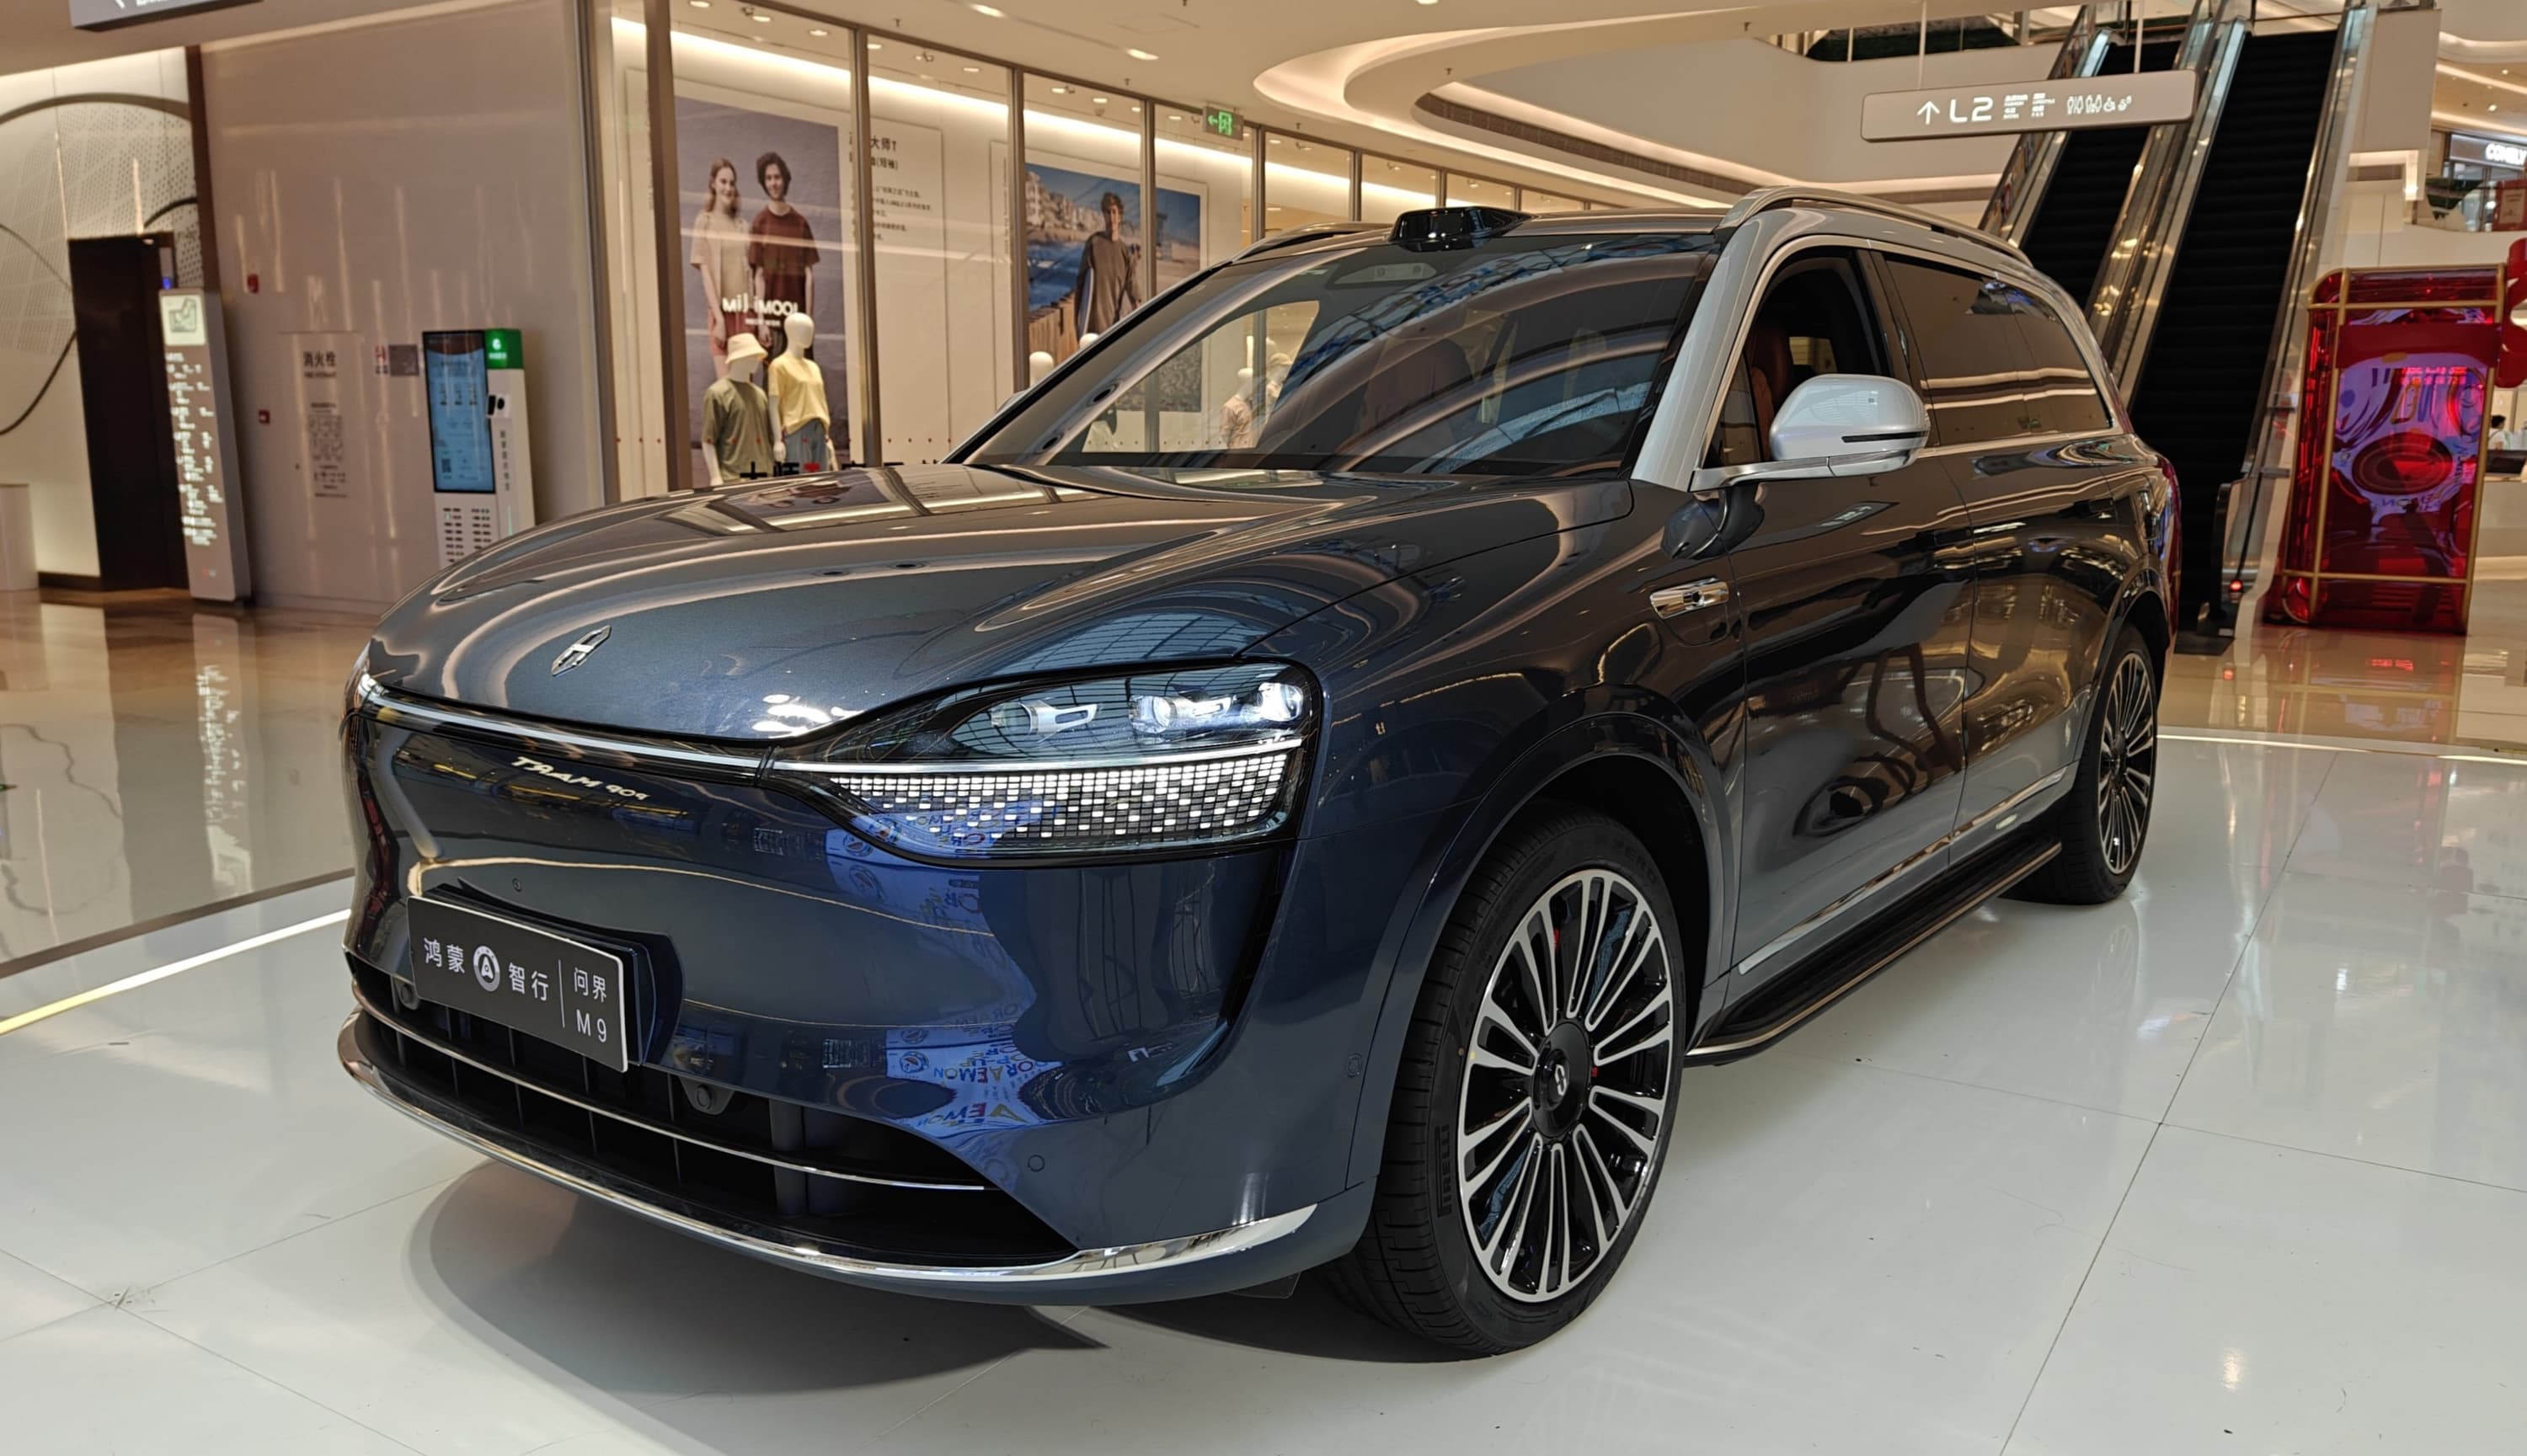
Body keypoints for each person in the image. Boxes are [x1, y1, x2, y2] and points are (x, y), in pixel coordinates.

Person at [746, 152, 817, 355]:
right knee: (774, 373)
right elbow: (759, 276)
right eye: (768, 178)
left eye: (777, 177)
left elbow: (809, 276)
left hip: (798, 322)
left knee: (803, 373)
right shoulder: (760, 222)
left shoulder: (800, 223)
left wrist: (808, 319)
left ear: (784, 179)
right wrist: (762, 322)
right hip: (773, 322)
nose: (773, 183)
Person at [689, 157, 751, 371]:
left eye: (732, 183)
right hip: (721, 312)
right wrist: (719, 320)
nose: (728, 188)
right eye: (723, 182)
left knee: (744, 387)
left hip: (744, 313)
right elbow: (706, 273)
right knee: (726, 386)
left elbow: (752, 274)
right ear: (713, 183)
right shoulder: (704, 222)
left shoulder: (743, 227)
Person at [1070, 191, 1141, 344]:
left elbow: (1134, 295)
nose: (1111, 217)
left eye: (1114, 212)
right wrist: (1076, 323)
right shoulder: (1094, 244)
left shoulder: (1125, 253)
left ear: (1120, 216)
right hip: (1092, 329)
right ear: (1104, 215)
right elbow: (1081, 285)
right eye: (1107, 212)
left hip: (1113, 329)